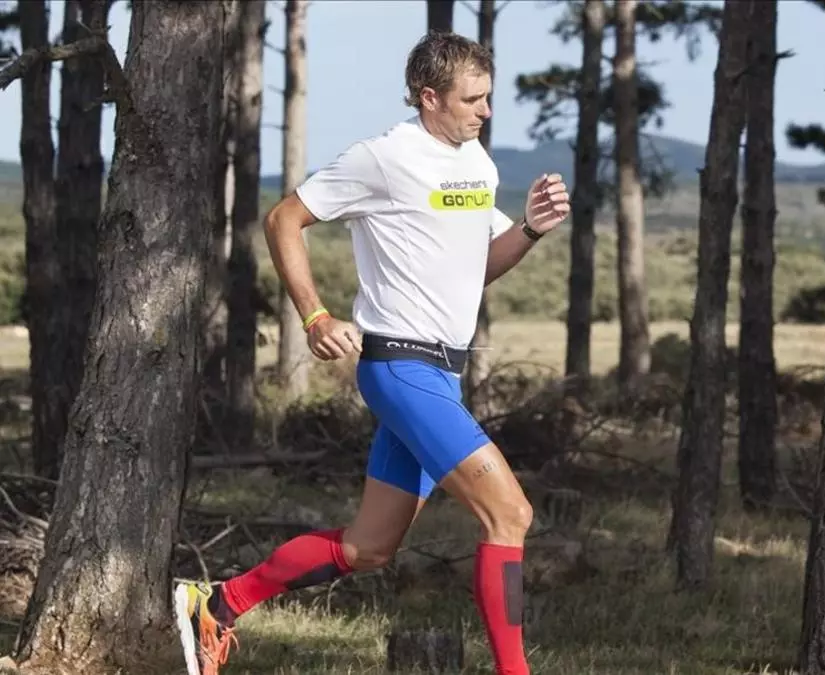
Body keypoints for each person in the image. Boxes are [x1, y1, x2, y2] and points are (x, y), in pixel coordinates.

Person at [172, 30, 570, 675]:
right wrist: (315, 316)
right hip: (400, 367)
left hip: (443, 374)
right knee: (511, 514)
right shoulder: (382, 157)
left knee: (368, 549)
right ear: (429, 96)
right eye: (472, 99)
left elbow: (478, 268)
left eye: (488, 97)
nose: (486, 111)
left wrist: (528, 229)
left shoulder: (477, 162)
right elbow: (283, 219)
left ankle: (217, 605)